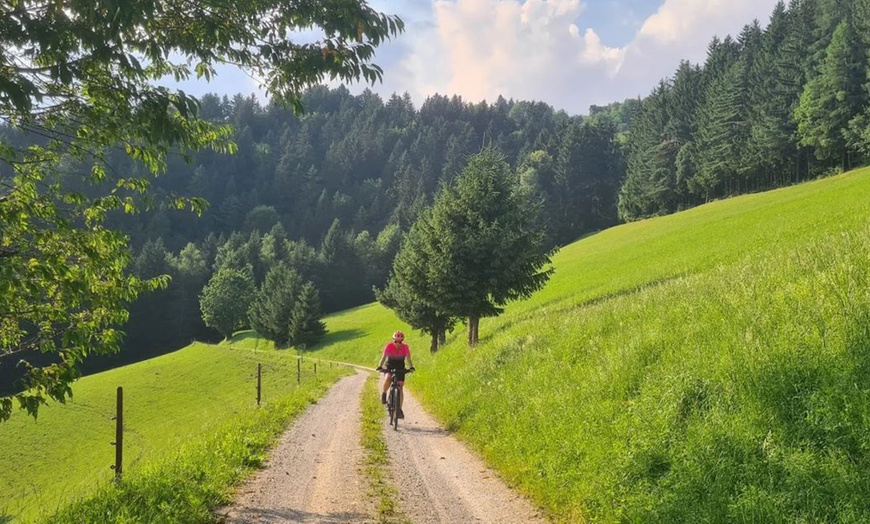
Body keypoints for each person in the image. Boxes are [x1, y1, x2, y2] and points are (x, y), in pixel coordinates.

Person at [376, 330, 415, 418]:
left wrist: (411, 367)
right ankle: (384, 393)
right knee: (388, 378)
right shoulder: (389, 346)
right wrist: (380, 366)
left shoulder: (405, 347)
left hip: (400, 368)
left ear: (402, 341)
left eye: (400, 342)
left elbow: (408, 359)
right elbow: (383, 358)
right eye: (396, 341)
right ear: (393, 340)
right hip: (390, 366)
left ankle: (399, 409)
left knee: (400, 388)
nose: (398, 343)